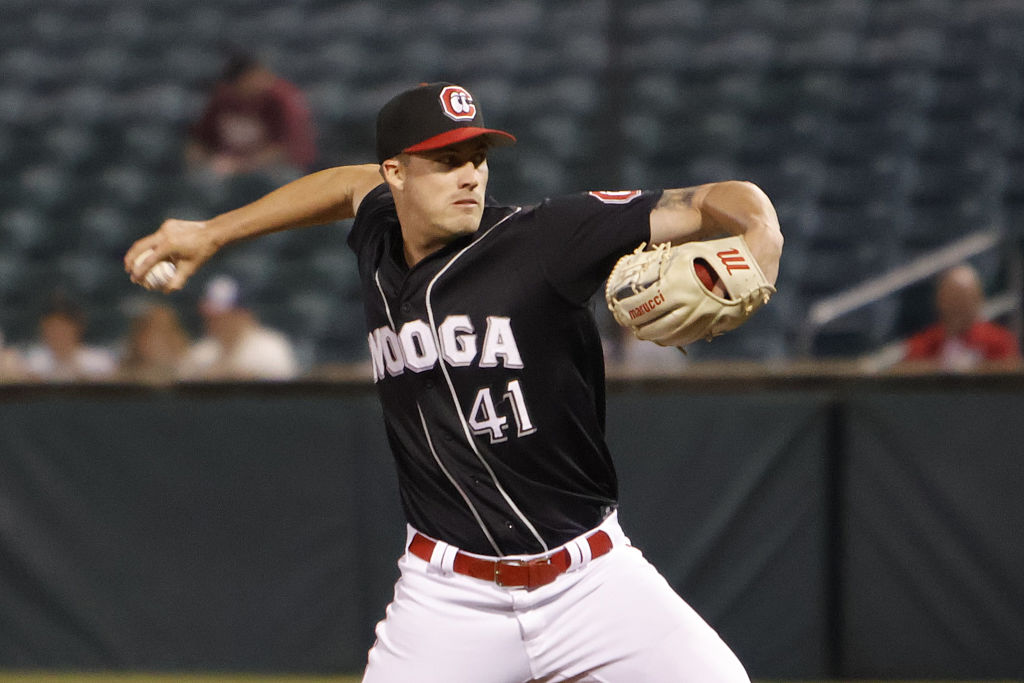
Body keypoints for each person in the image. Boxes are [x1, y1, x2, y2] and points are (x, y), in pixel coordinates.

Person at [127, 82, 783, 681]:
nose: (470, 174)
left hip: (589, 579)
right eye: (446, 161)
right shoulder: (379, 229)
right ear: (397, 175)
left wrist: (762, 231)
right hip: (447, 597)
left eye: (477, 156)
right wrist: (211, 232)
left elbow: (705, 202)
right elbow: (342, 186)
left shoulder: (545, 238)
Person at [185, 52, 317, 179]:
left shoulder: (281, 99)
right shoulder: (223, 98)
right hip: (228, 167)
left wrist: (239, 165)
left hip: (277, 169)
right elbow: (199, 142)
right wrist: (203, 164)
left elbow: (283, 149)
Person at [901, 263, 1021, 372]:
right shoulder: (923, 344)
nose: (959, 307)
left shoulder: (1000, 342)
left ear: (979, 300)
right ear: (939, 300)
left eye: (966, 299)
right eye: (953, 299)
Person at [178, 274, 299, 381]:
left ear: (242, 314)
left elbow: (285, 396)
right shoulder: (201, 353)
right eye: (211, 317)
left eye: (223, 317)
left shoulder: (270, 348)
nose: (215, 323)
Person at [23, 294, 117, 382]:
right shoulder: (31, 365)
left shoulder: (100, 364)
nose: (57, 334)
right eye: (51, 329)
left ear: (77, 328)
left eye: (63, 328)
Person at [118, 303, 191, 383]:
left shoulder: (192, 368)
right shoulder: (121, 373)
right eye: (146, 332)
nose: (153, 340)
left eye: (162, 332)